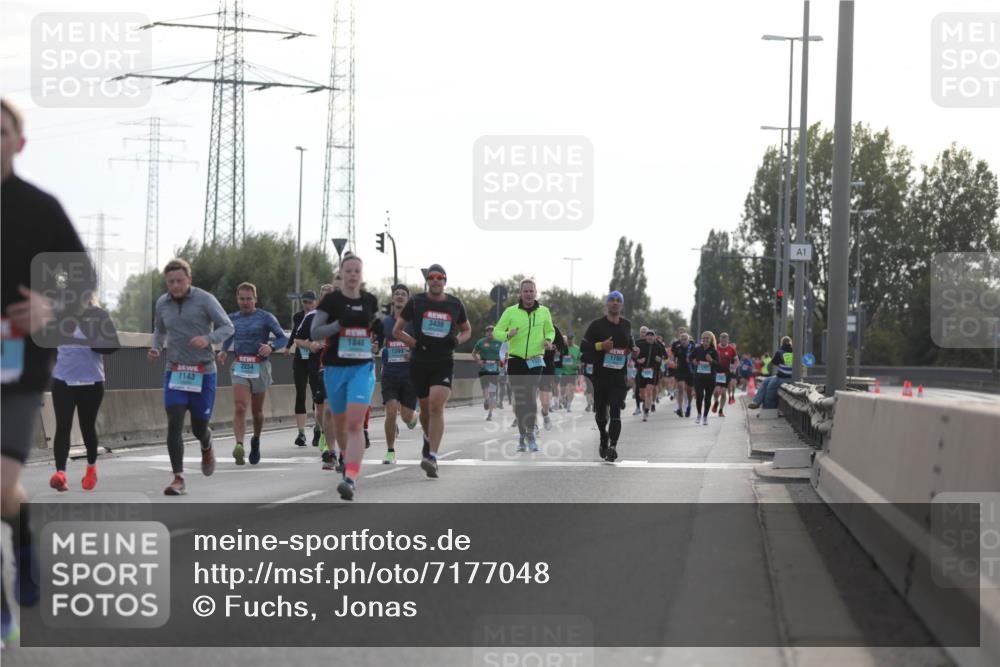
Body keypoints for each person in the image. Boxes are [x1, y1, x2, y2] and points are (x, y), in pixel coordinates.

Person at [2, 97, 95, 625]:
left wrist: (50, 305)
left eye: (0, 131)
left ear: (19, 142)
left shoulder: (40, 207)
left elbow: (82, 277)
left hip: (21, 361)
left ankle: (22, 542)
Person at [149, 258, 234, 496]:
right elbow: (159, 330)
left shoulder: (205, 299)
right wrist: (156, 347)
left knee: (199, 427)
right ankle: (178, 478)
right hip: (175, 370)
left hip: (203, 372)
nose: (175, 286)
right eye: (170, 282)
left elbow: (228, 327)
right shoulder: (162, 303)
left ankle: (206, 444)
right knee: (174, 422)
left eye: (179, 281)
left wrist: (208, 339)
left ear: (189, 280)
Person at [309, 255, 381, 500]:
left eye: (357, 271)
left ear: (361, 274)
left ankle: (351, 477)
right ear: (342, 273)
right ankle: (343, 457)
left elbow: (375, 327)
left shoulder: (370, 300)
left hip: (362, 368)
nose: (352, 274)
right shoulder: (331, 301)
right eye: (348, 270)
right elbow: (315, 331)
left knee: (354, 423)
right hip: (335, 368)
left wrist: (377, 339)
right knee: (340, 424)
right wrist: (339, 325)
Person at [393, 263, 471, 477]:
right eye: (432, 277)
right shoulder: (417, 301)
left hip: (443, 361)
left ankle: (433, 457)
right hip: (420, 362)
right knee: (426, 411)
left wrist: (456, 340)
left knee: (437, 406)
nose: (436, 280)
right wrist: (414, 343)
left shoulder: (455, 304)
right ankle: (428, 439)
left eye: (440, 277)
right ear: (428, 281)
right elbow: (397, 330)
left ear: (445, 281)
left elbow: (467, 330)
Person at [49, 296, 120, 491]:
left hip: (91, 381)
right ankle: (61, 474)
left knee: (87, 427)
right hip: (63, 380)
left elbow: (114, 344)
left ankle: (91, 469)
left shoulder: (99, 316)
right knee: (63, 425)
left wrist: (93, 340)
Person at [218, 282, 288, 466]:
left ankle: (255, 440)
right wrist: (224, 351)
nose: (245, 302)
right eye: (242, 299)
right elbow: (229, 335)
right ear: (237, 299)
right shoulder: (232, 318)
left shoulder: (265, 317)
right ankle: (239, 445)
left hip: (260, 367)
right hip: (240, 364)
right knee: (240, 406)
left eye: (249, 299)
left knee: (257, 412)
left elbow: (283, 338)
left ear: (255, 299)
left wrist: (270, 346)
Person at [493, 278, 555, 453]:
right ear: (520, 293)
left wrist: (548, 340)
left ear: (536, 292)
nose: (528, 294)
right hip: (515, 359)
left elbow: (550, 330)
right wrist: (507, 334)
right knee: (519, 399)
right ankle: (522, 435)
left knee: (530, 393)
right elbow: (497, 332)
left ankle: (531, 433)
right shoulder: (510, 312)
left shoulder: (544, 311)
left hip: (535, 359)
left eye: (531, 291)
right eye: (525, 291)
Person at [581, 291, 632, 462]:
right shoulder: (597, 325)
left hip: (619, 377)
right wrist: (600, 346)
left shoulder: (626, 325)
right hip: (600, 376)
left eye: (618, 301)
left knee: (616, 410)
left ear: (622, 305)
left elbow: (629, 343)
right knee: (602, 414)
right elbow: (584, 346)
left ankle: (613, 447)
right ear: (607, 304)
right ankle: (604, 435)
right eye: (612, 300)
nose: (615, 303)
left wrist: (634, 349)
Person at [378, 283, 420, 463]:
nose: (400, 296)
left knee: (406, 417)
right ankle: (390, 451)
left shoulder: (414, 322)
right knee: (390, 412)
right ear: (393, 298)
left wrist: (413, 354)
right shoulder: (385, 322)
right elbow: (379, 343)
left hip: (409, 375)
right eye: (397, 294)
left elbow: (423, 344)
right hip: (390, 374)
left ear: (408, 299)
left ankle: (414, 417)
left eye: (404, 294)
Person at [288, 289, 320, 447]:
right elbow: (295, 334)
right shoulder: (298, 317)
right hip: (300, 358)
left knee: (317, 396)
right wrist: (288, 347)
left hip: (315, 359)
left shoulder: (320, 318)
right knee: (300, 394)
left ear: (316, 302)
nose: (307, 305)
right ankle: (301, 433)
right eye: (305, 302)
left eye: (310, 302)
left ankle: (318, 429)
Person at [749, 337, 794, 410]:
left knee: (769, 388)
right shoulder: (795, 352)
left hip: (781, 378)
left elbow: (774, 363)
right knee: (765, 381)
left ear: (781, 343)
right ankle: (756, 402)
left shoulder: (780, 352)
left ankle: (766, 408)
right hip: (791, 377)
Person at [538, 324, 568, 429]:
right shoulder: (525, 325)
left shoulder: (552, 328)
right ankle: (532, 425)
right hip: (529, 364)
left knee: (545, 401)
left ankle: (545, 414)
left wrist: (552, 346)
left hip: (546, 366)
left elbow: (563, 347)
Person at [471, 323, 503, 421]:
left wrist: (502, 366)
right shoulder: (481, 342)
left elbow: (505, 355)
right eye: (488, 331)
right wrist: (478, 361)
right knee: (485, 387)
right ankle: (486, 400)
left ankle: (490, 413)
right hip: (484, 368)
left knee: (493, 391)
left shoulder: (499, 342)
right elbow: (473, 353)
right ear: (485, 333)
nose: (490, 333)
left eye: (492, 331)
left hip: (495, 368)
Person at [689, 331, 721, 425]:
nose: (705, 340)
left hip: (710, 378)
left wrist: (711, 360)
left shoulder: (714, 351)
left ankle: (705, 416)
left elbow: (718, 365)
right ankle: (699, 414)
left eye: (707, 338)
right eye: (704, 338)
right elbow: (690, 357)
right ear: (702, 340)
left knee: (707, 398)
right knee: (699, 396)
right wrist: (693, 360)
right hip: (698, 377)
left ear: (711, 340)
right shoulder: (697, 349)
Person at [634, 328, 664, 422]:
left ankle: (646, 412)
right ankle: (645, 403)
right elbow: (632, 356)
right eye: (648, 335)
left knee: (649, 391)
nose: (650, 337)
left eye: (652, 335)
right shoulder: (640, 345)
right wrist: (637, 360)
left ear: (655, 337)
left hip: (653, 371)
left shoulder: (658, 346)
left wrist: (660, 359)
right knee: (642, 393)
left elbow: (665, 357)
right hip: (641, 371)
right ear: (645, 337)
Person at [712, 332, 738, 418]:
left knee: (723, 393)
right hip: (716, 372)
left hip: (726, 374)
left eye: (725, 338)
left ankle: (720, 410)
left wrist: (734, 368)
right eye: (722, 338)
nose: (723, 340)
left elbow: (737, 361)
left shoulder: (731, 349)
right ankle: (716, 402)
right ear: (720, 339)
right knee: (716, 391)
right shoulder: (715, 348)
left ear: (728, 339)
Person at [670, 330, 695, 417]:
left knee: (689, 391)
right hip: (680, 369)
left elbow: (697, 357)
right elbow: (673, 356)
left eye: (685, 339)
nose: (684, 341)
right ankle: (679, 408)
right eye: (682, 339)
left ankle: (688, 406)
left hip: (690, 370)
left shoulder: (692, 346)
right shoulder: (677, 347)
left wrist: (693, 361)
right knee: (680, 388)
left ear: (688, 340)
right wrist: (672, 361)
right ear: (680, 340)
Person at [560, 333, 581, 411]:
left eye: (571, 340)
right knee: (562, 390)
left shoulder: (577, 349)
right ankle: (564, 399)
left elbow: (580, 359)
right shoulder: (563, 348)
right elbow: (558, 357)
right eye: (568, 340)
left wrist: (579, 366)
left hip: (573, 372)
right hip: (564, 371)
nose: (569, 341)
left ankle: (569, 405)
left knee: (571, 389)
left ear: (573, 339)